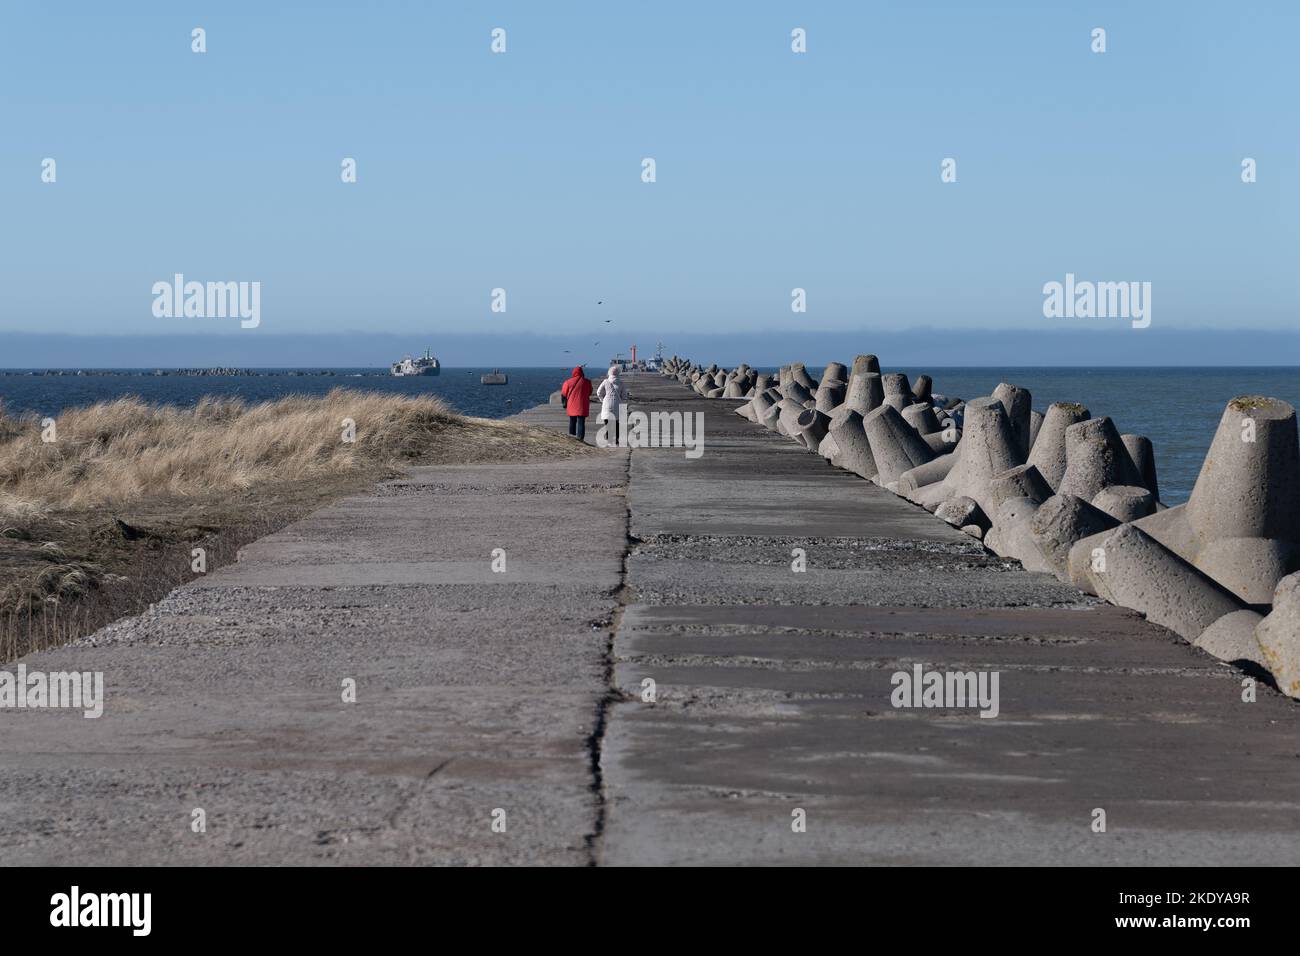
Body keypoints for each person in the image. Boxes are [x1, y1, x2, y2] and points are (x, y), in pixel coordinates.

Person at [595, 365, 629, 446]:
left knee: (607, 421)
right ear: (618, 373)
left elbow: (598, 392)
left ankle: (609, 437)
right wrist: (621, 399)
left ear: (609, 373)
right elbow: (624, 395)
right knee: (617, 423)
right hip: (617, 404)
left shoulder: (605, 381)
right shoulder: (621, 383)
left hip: (607, 404)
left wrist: (602, 400)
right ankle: (616, 440)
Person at [560, 366, 593, 440]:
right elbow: (590, 392)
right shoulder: (587, 382)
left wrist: (564, 403)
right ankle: (580, 438)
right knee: (581, 423)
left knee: (572, 421)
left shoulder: (568, 382)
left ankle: (572, 438)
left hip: (572, 405)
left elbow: (564, 394)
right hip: (582, 405)